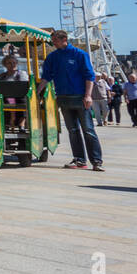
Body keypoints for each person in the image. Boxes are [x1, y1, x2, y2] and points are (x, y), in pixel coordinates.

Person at [41, 30, 103, 170]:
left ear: (64, 39)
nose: (53, 43)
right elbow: (46, 77)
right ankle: (79, 160)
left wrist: (88, 95)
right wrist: (37, 92)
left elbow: (89, 76)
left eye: (55, 40)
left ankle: (97, 161)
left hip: (80, 98)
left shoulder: (80, 55)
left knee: (88, 130)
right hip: (63, 99)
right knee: (73, 130)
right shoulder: (52, 57)